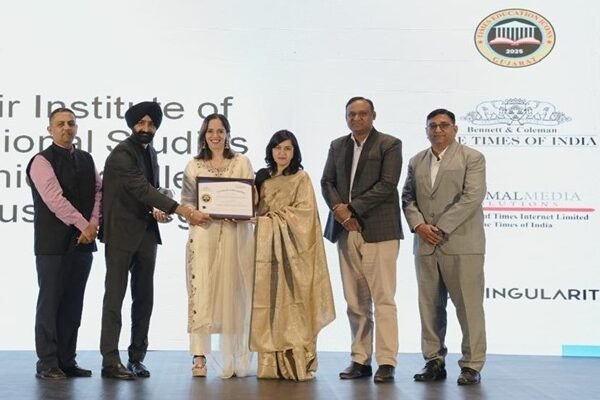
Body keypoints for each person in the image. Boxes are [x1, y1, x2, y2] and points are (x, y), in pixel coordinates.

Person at [99, 101, 204, 380]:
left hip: (145, 233)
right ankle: (110, 361)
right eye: (141, 123)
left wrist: (159, 207)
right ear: (132, 124)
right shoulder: (122, 154)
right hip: (121, 235)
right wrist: (181, 210)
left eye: (151, 124)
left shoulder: (150, 151)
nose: (146, 128)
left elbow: (150, 191)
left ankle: (136, 358)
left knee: (144, 299)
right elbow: (140, 188)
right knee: (115, 299)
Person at [402, 108, 487, 386]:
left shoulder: (472, 157)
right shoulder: (416, 160)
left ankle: (471, 365)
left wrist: (439, 227)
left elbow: (472, 196)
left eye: (444, 125)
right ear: (426, 130)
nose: (438, 130)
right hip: (425, 244)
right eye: (432, 126)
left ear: (455, 129)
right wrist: (419, 225)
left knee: (469, 307)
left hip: (462, 244)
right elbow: (407, 198)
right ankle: (433, 361)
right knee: (429, 308)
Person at [321, 96, 403, 383]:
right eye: (351, 114)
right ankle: (360, 358)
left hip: (379, 231)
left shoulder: (389, 144)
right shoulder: (337, 145)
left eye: (363, 113)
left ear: (373, 115)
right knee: (355, 301)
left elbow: (387, 185)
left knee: (383, 299)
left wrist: (352, 209)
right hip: (346, 230)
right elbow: (327, 182)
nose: (357, 118)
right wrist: (341, 212)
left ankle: (387, 361)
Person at [251, 130, 335, 381]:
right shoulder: (262, 177)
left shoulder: (301, 178)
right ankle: (270, 364)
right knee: (267, 302)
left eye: (287, 148)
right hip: (265, 252)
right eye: (278, 148)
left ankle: (297, 363)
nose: (282, 153)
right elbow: (253, 208)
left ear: (294, 152)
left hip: (294, 253)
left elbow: (305, 215)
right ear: (271, 150)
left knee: (295, 304)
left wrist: (268, 221)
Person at [26, 107, 102, 379]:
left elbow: (98, 192)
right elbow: (54, 199)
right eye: (60, 124)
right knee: (50, 304)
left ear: (76, 127)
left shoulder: (86, 158)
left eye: (71, 123)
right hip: (53, 245)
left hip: (83, 244)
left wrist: (93, 223)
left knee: (73, 304)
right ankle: (47, 363)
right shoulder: (41, 161)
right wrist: (84, 225)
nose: (66, 128)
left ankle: (67, 360)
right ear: (50, 129)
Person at [180, 113, 255, 378]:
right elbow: (186, 202)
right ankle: (199, 356)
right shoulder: (194, 166)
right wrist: (193, 214)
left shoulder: (241, 163)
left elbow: (251, 198)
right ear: (204, 135)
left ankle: (233, 356)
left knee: (234, 294)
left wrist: (242, 212)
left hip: (235, 236)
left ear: (227, 134)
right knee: (202, 292)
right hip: (204, 235)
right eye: (210, 131)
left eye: (220, 131)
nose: (215, 136)